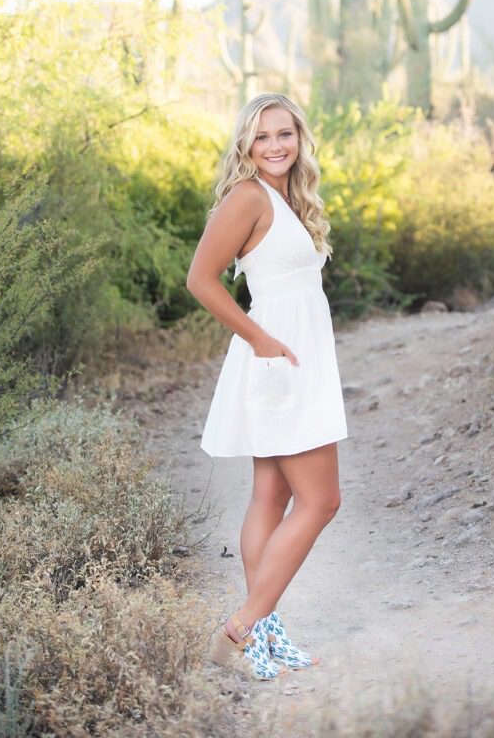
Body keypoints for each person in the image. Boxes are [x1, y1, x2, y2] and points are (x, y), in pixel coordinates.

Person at [186, 93, 348, 681]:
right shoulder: (248, 196)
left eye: (285, 134)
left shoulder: (285, 197)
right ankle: (243, 627)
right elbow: (200, 280)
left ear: (299, 137)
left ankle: (266, 637)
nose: (276, 146)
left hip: (295, 355)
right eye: (262, 137)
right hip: (277, 354)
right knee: (322, 500)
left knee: (271, 497)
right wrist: (259, 340)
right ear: (246, 145)